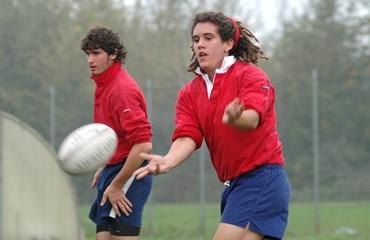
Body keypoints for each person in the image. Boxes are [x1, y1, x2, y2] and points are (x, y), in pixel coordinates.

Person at [134, 11, 290, 240]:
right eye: (196, 40)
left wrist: (237, 118)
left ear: (228, 43)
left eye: (208, 38)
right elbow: (187, 137)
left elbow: (252, 119)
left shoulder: (251, 77)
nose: (200, 45)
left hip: (262, 179)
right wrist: (168, 160)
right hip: (235, 185)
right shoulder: (189, 93)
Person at [81, 26, 153, 240]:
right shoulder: (104, 84)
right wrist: (105, 163)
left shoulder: (122, 90)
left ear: (113, 54)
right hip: (112, 170)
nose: (90, 60)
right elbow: (113, 135)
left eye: (96, 53)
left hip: (130, 174)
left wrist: (118, 184)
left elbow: (143, 145)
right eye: (88, 54)